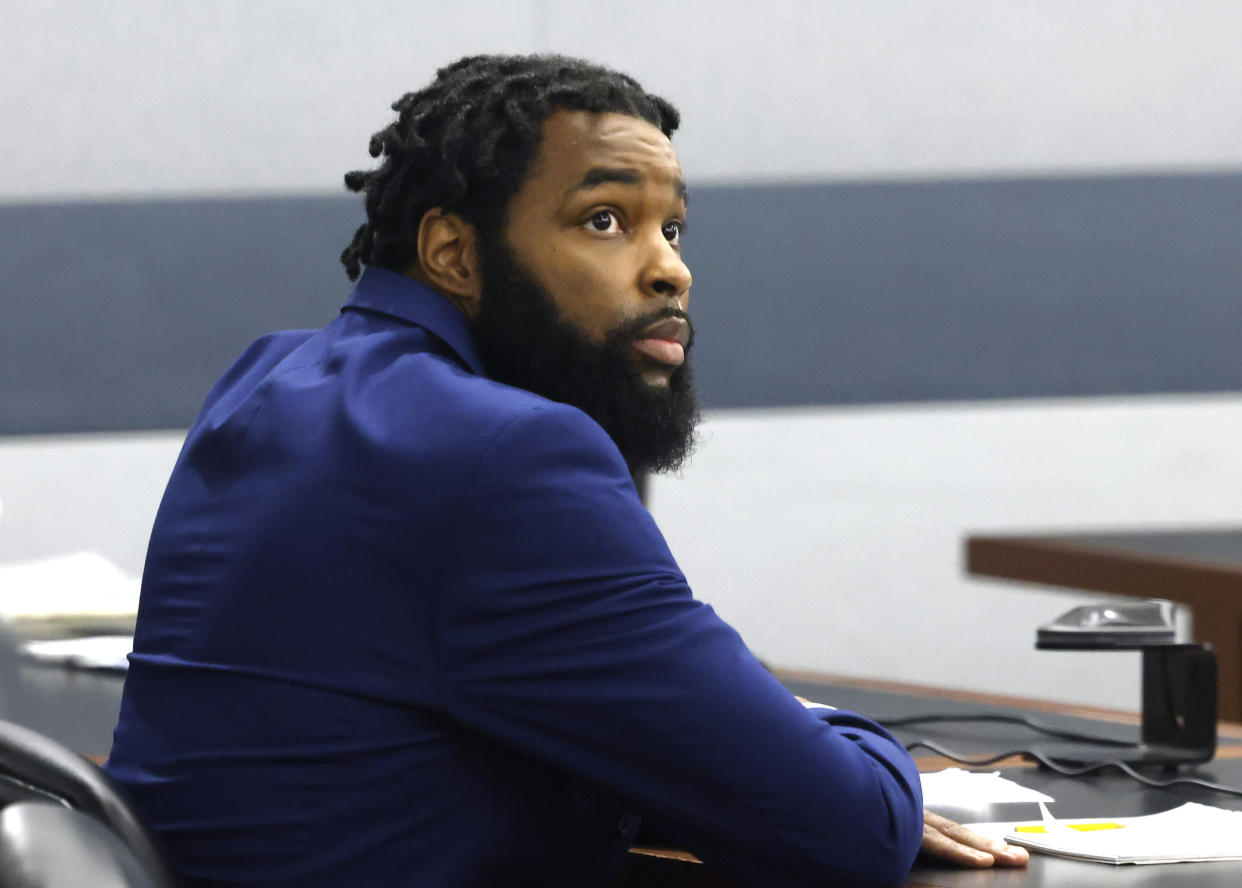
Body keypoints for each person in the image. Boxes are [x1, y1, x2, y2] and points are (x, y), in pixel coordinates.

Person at [106, 54, 1025, 887]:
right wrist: (861, 750)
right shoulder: (510, 454)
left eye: (675, 229)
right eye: (605, 220)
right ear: (454, 253)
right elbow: (849, 830)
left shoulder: (269, 376)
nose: (670, 271)